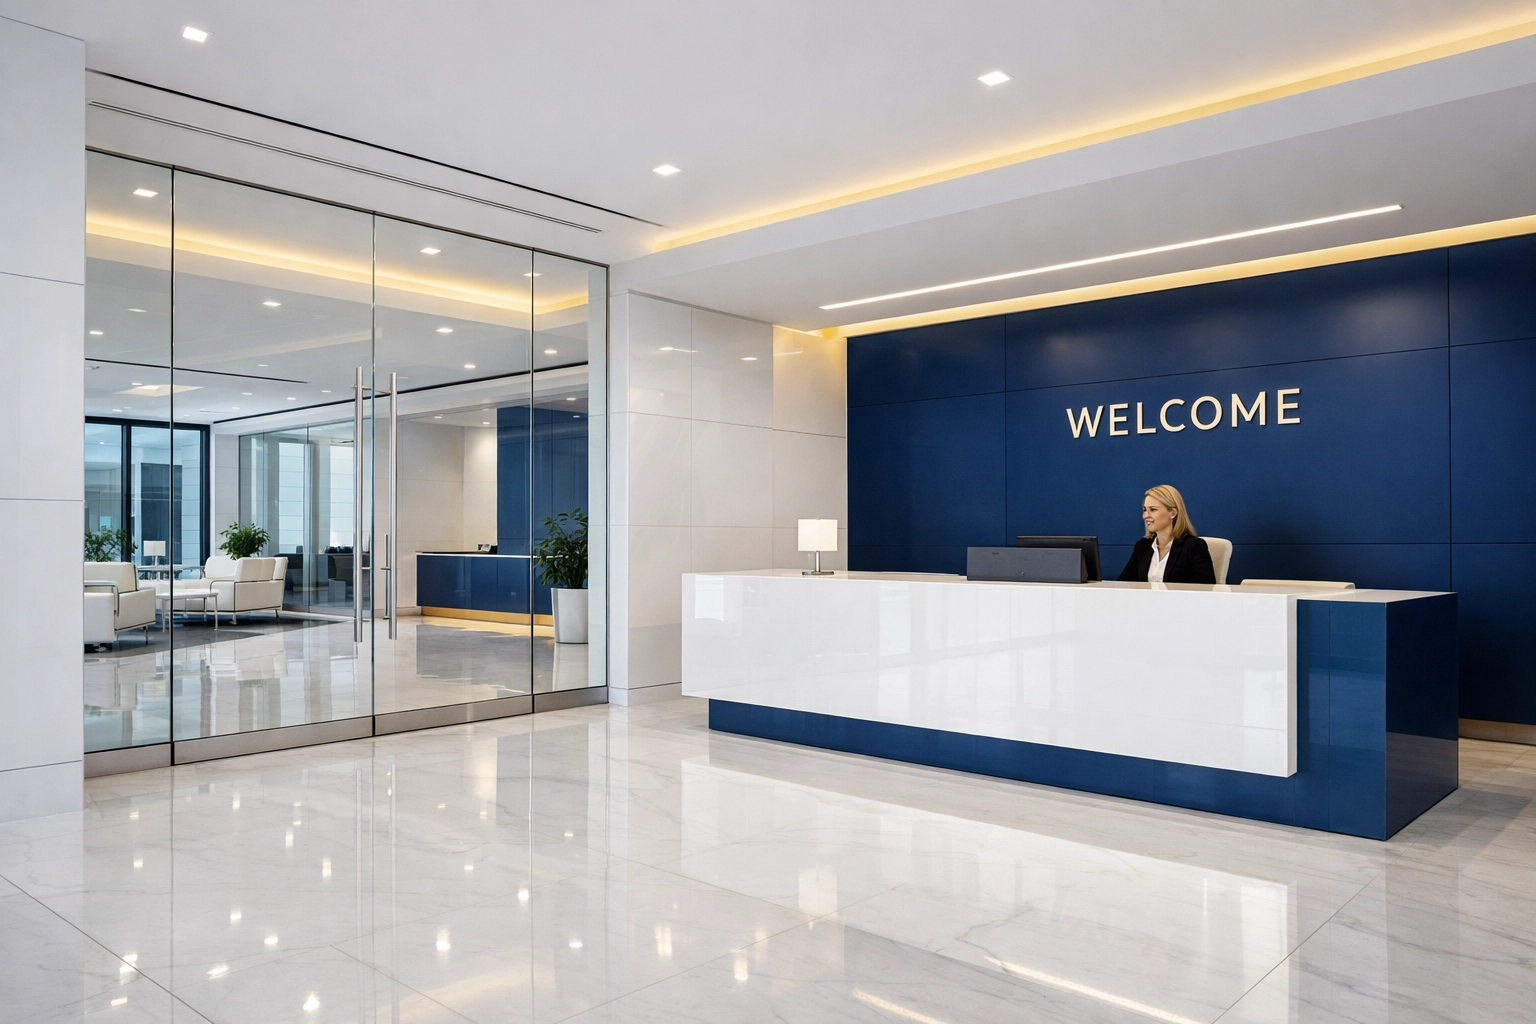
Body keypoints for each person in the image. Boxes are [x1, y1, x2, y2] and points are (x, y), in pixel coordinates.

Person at [1118, 484, 1216, 584]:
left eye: (1153, 510)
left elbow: (1206, 589)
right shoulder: (1142, 547)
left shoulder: (1193, 546)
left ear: (1173, 513)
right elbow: (1124, 583)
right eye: (1145, 510)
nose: (1145, 516)